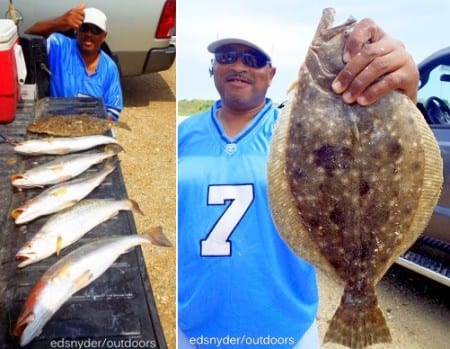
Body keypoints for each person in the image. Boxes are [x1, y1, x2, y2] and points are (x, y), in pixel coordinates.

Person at [177, 17, 419, 349]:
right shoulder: (182, 135)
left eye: (252, 59)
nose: (237, 65)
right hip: (192, 329)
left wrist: (399, 96)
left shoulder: (295, 132)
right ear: (213, 67)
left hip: (287, 333)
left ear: (273, 73)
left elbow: (377, 150)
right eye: (226, 56)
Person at [25, 4, 123, 121]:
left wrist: (91, 127)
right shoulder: (60, 45)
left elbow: (112, 110)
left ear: (104, 36)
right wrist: (60, 22)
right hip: (56, 123)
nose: (89, 34)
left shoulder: (110, 68)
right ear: (77, 30)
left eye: (96, 30)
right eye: (84, 28)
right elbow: (28, 37)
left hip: (90, 131)